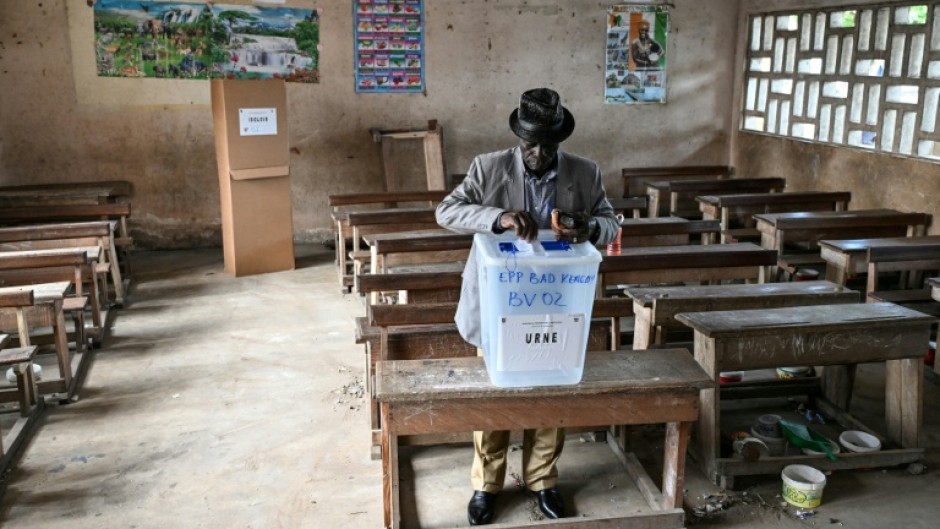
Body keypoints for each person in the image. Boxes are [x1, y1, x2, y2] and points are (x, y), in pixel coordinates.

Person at [435, 88, 620, 525]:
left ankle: (542, 479)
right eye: (530, 144)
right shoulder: (489, 167)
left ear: (560, 141)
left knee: (550, 392)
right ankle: (487, 484)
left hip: (557, 303)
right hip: (501, 302)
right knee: (496, 394)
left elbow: (612, 225)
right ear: (519, 138)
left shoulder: (585, 173)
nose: (538, 154)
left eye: (548, 145)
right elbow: (447, 211)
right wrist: (497, 218)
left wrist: (590, 227)